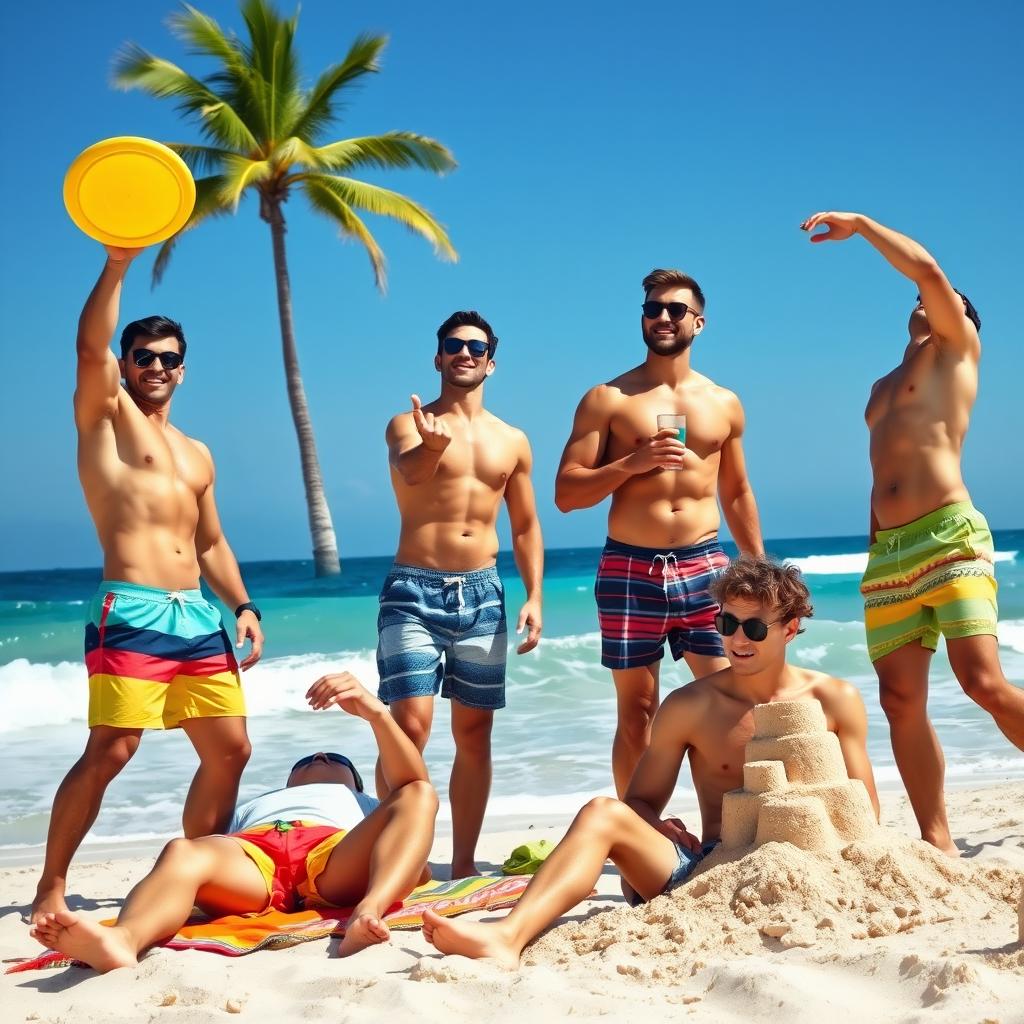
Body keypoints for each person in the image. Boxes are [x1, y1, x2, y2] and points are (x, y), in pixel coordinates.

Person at [421, 556, 878, 967]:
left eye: (754, 628)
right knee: (603, 813)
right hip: (711, 872)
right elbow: (639, 802)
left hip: (810, 876)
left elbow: (864, 816)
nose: (737, 639)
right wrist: (659, 828)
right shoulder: (690, 705)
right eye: (726, 623)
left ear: (790, 628)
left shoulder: (834, 699)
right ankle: (506, 937)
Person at [31, 245, 265, 924]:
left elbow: (211, 540)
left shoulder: (198, 452)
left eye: (167, 359)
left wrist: (243, 604)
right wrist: (117, 265)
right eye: (143, 357)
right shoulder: (105, 419)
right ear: (126, 366)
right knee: (113, 746)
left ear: (182, 371)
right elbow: (87, 346)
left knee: (232, 749)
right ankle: (51, 883)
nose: (155, 367)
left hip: (197, 615)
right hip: (130, 608)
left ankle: (193, 869)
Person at [802, 211, 1024, 855]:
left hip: (949, 536)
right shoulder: (879, 389)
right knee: (901, 701)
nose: (923, 301)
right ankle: (938, 841)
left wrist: (861, 225)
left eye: (939, 299)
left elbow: (926, 270)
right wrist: (875, 544)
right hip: (890, 552)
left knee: (982, 682)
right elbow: (881, 472)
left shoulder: (958, 352)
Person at [30, 672, 438, 967]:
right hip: (252, 853)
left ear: (355, 781)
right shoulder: (257, 804)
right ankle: (123, 940)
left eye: (335, 759)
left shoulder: (362, 802)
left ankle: (367, 912)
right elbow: (202, 832)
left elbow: (412, 789)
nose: (319, 757)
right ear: (288, 780)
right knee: (183, 850)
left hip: (333, 852)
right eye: (308, 760)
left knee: (419, 792)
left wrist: (376, 715)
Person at [554, 269, 764, 795]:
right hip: (630, 566)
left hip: (705, 565)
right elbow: (566, 493)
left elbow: (736, 492)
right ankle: (636, 834)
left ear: (699, 321)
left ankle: (723, 831)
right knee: (638, 711)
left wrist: (758, 569)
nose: (663, 317)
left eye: (675, 309)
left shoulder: (724, 402)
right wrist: (632, 463)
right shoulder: (609, 398)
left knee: (728, 698)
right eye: (653, 309)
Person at [378, 310, 543, 876]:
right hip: (412, 591)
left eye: (475, 347)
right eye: (453, 345)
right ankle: (400, 857)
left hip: (484, 595)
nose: (464, 354)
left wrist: (535, 595)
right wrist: (429, 446)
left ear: (491, 362)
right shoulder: (408, 424)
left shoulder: (512, 440)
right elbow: (410, 474)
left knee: (475, 732)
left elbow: (524, 525)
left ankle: (464, 861)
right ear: (438, 357)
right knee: (410, 726)